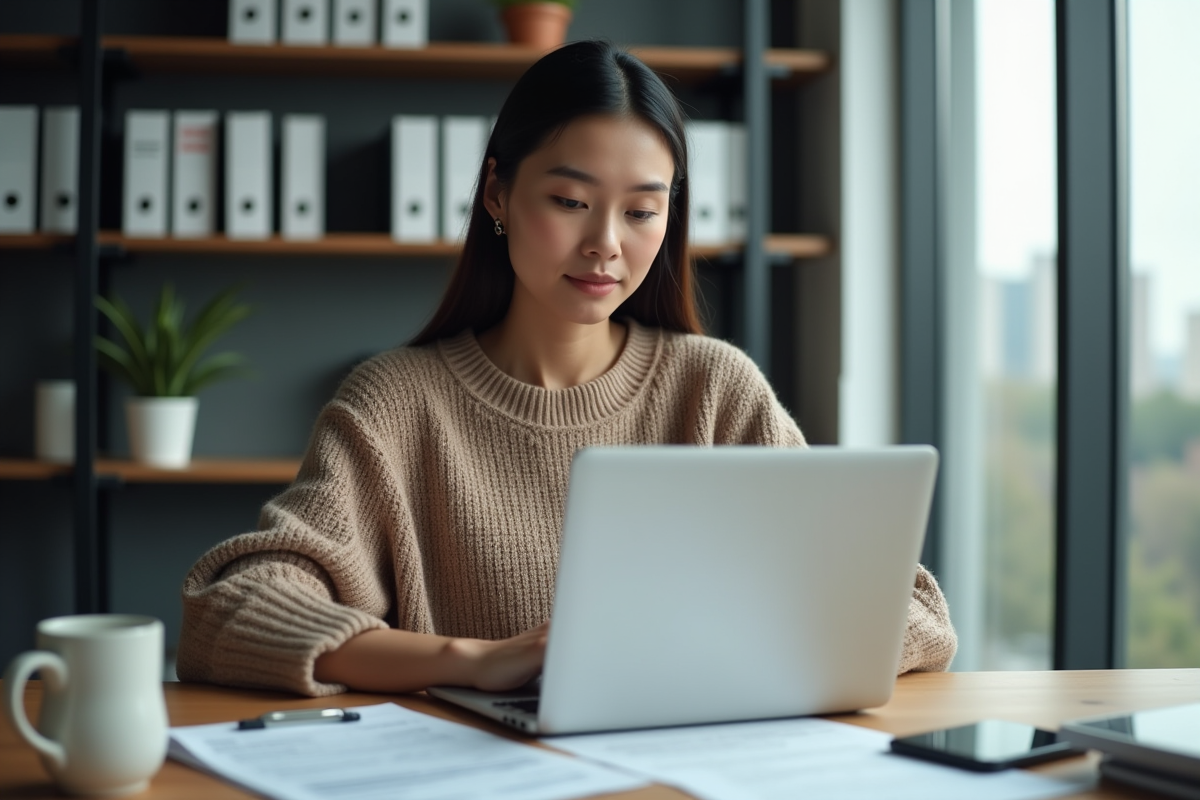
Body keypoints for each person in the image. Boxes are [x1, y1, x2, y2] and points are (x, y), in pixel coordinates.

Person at [178, 40, 957, 698]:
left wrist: (726, 657)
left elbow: (917, 613)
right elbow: (228, 612)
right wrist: (470, 661)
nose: (606, 245)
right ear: (498, 193)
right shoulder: (394, 404)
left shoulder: (713, 390)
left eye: (642, 210)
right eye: (570, 200)